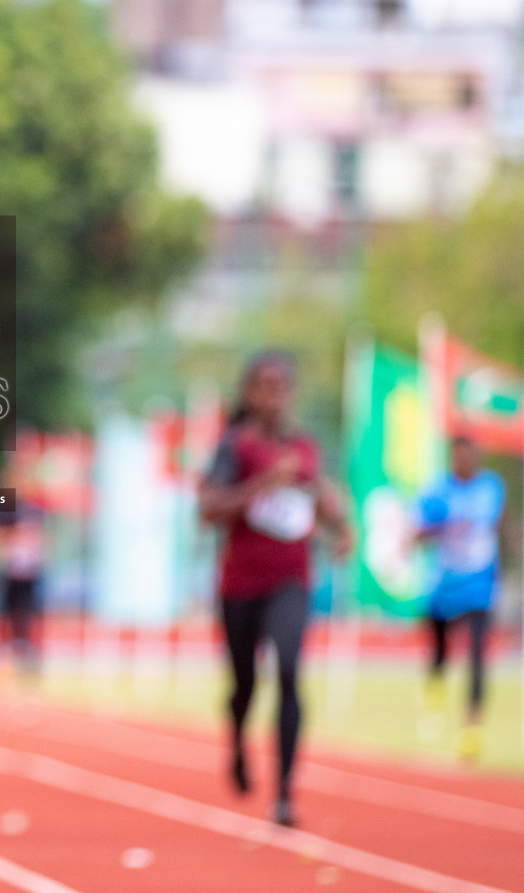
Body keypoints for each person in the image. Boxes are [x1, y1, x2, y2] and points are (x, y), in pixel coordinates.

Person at [198, 351, 353, 828]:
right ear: (250, 394)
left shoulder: (304, 449)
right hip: (241, 583)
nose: (274, 395)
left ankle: (284, 794)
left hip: (292, 579)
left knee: (288, 669)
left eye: (282, 386)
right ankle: (238, 737)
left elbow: (319, 498)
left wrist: (341, 526)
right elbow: (208, 510)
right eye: (264, 386)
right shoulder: (234, 447)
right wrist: (261, 484)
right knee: (245, 682)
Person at [414, 434, 504, 760]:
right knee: (440, 652)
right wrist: (440, 528)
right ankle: (435, 694)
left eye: (467, 455)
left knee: (478, 657)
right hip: (444, 586)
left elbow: (497, 524)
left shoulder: (491, 487)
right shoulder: (437, 490)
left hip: (480, 587)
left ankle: (472, 729)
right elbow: (419, 531)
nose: (462, 461)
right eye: (457, 456)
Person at [0, 503, 47, 680]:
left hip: (29, 574)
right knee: (6, 611)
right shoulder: (6, 518)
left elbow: (41, 543)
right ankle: (5, 649)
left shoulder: (36, 513)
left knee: (28, 613)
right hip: (11, 573)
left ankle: (25, 648)